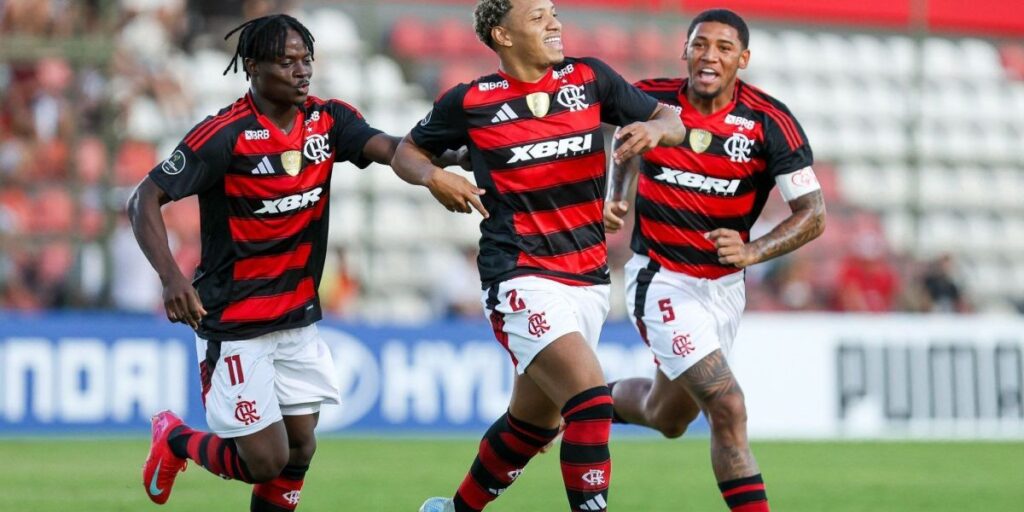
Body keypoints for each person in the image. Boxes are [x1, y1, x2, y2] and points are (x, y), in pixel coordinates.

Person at [392, 1, 685, 511]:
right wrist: (436, 176)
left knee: (531, 426)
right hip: (520, 275)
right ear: (503, 35)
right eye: (538, 16)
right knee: (590, 403)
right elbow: (407, 152)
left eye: (554, 13)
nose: (555, 23)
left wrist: (657, 130)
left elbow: (671, 117)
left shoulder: (591, 79)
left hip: (588, 279)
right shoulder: (472, 101)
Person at [127, 14, 415, 511]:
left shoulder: (328, 120)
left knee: (300, 449)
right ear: (253, 67)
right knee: (264, 460)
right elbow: (143, 198)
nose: (302, 71)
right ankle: (174, 439)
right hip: (235, 322)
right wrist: (172, 276)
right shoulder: (224, 135)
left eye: (307, 59)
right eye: (287, 62)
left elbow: (389, 148)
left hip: (297, 319)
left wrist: (445, 161)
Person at [603, 9, 826, 512]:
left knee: (668, 416)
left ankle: (581, 400)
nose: (710, 55)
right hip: (661, 279)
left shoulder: (771, 121)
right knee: (727, 407)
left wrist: (753, 250)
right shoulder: (650, 100)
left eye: (725, 48)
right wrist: (619, 193)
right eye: (700, 44)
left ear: (742, 59)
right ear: (684, 51)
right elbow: (622, 140)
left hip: (725, 286)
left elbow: (813, 214)